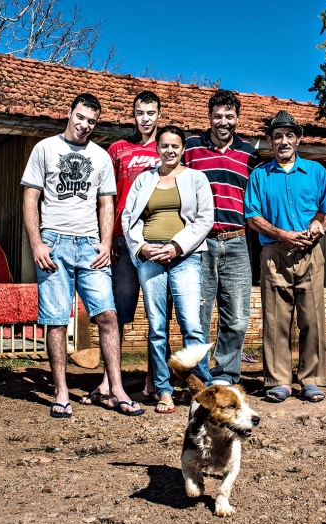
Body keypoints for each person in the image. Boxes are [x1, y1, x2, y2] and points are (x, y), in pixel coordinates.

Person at [21, 93, 144, 417]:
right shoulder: (45, 149)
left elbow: (106, 203)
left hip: (90, 246)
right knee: (57, 320)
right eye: (80, 117)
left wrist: (105, 242)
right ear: (69, 113)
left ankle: (116, 390)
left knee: (108, 316)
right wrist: (37, 243)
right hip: (54, 243)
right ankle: (61, 393)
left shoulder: (101, 156)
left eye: (91, 121)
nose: (85, 125)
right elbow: (31, 198)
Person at [244, 110, 326, 403]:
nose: (283, 141)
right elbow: (252, 216)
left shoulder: (316, 172)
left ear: (298, 139)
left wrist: (319, 225)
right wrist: (282, 235)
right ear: (270, 141)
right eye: (277, 136)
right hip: (274, 253)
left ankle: (311, 380)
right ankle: (279, 381)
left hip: (310, 252)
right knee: (276, 320)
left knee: (312, 319)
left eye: (289, 136)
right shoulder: (259, 175)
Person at [122, 125, 214, 413]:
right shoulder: (144, 179)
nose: (170, 150)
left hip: (185, 257)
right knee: (157, 327)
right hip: (150, 258)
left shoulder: (196, 178)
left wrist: (176, 246)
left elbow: (205, 219)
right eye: (164, 146)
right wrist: (141, 247)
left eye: (175, 146)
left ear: (183, 149)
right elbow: (128, 217)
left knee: (192, 326)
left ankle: (201, 389)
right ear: (157, 148)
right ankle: (164, 390)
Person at [81, 90, 161, 406]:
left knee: (157, 314)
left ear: (158, 115)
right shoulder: (118, 149)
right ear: (133, 115)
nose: (145, 118)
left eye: (151, 112)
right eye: (140, 112)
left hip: (156, 241)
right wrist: (107, 238)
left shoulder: (167, 147)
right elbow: (106, 197)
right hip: (122, 241)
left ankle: (154, 380)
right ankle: (107, 381)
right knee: (118, 314)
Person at [183, 89, 261, 386]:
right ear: (209, 117)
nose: (223, 122)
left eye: (229, 116)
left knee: (237, 317)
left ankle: (225, 375)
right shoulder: (191, 147)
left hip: (238, 241)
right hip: (200, 243)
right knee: (198, 315)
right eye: (218, 116)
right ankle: (200, 376)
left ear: (238, 119)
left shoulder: (249, 153)